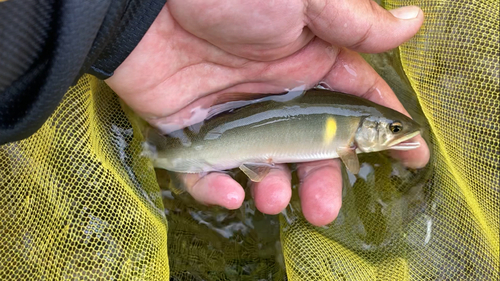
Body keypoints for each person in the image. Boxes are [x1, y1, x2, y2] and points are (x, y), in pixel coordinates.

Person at [0, 0, 429, 226]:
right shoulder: (349, 143)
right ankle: (154, 159)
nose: (396, 131)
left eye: (393, 129)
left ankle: (152, 159)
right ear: (364, 132)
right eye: (390, 128)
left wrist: (129, 13)